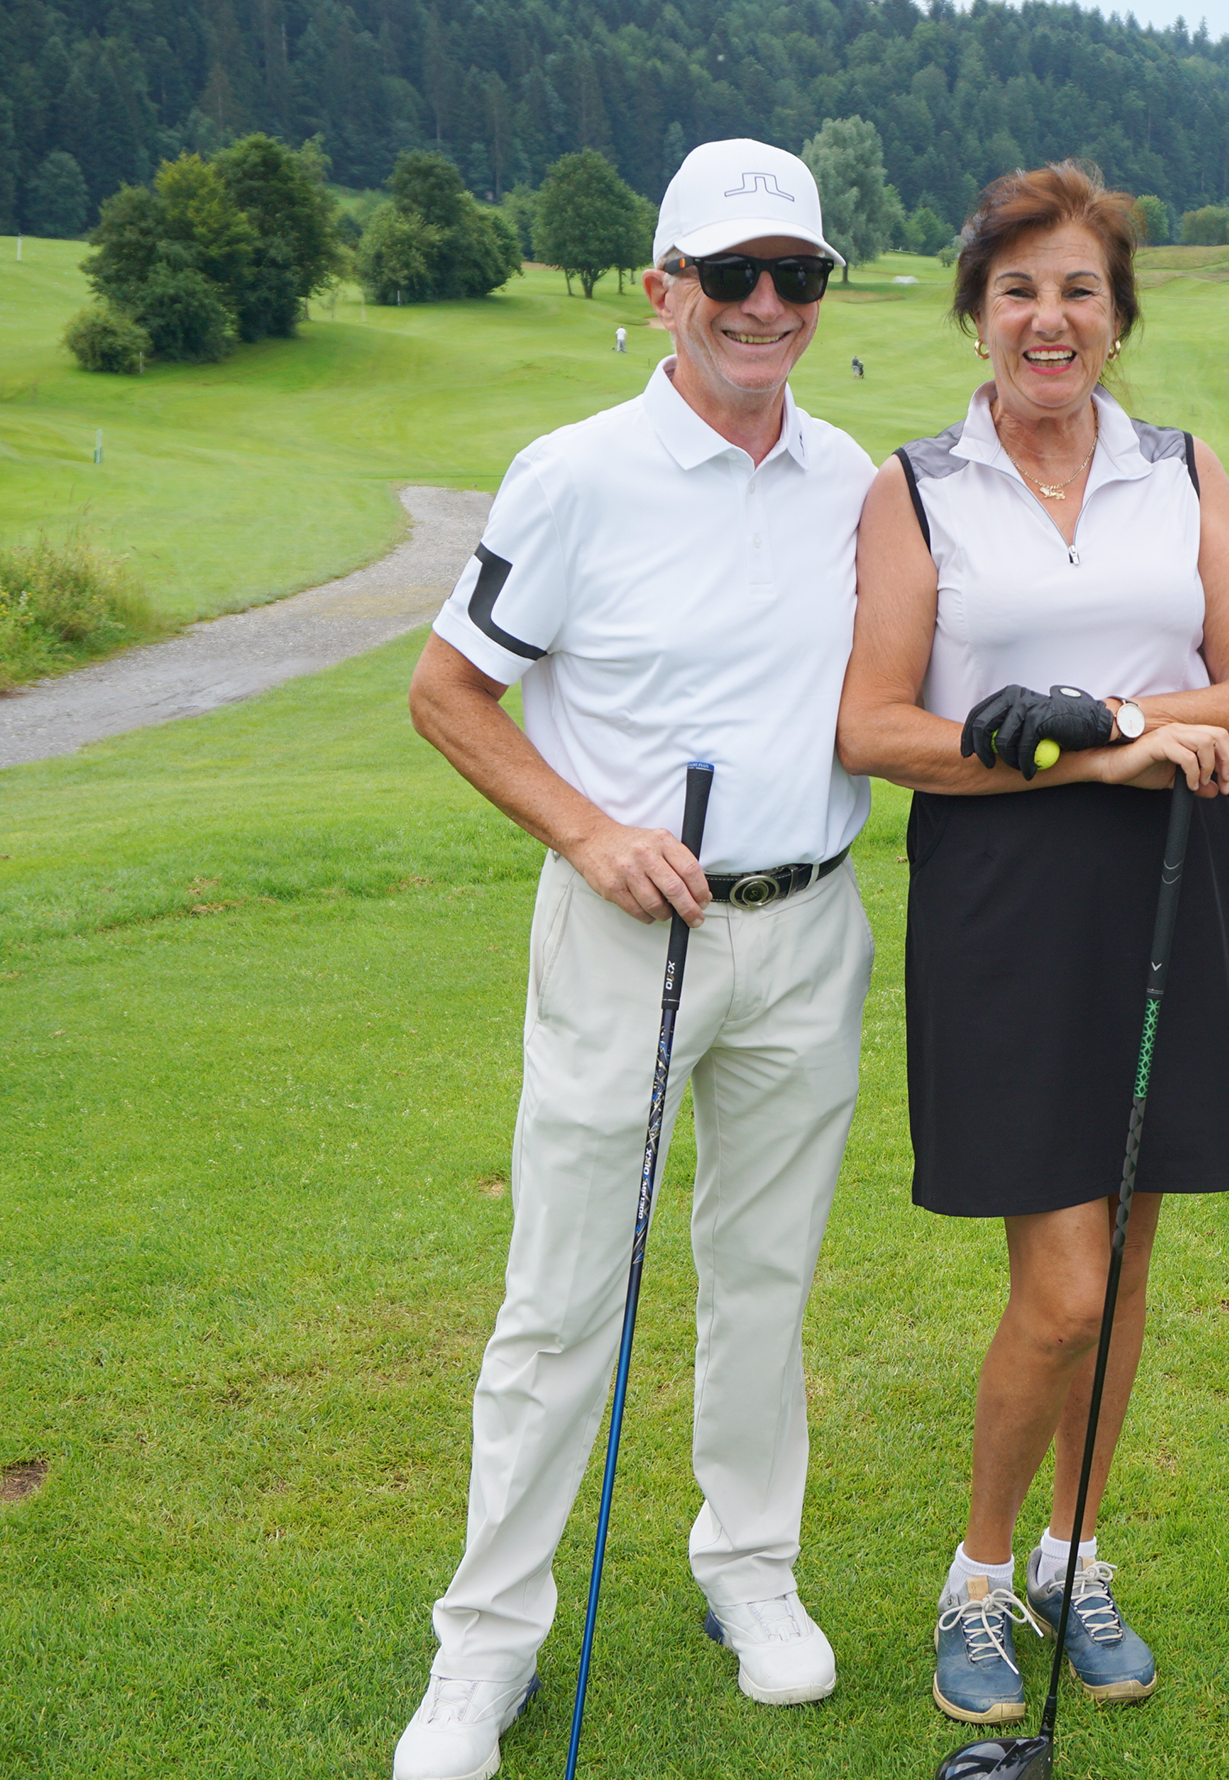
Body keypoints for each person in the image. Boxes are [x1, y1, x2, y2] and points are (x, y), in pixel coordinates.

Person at [393, 137, 876, 1780]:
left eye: (793, 275)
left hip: (808, 927)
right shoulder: (572, 474)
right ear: (667, 291)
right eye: (730, 276)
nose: (764, 305)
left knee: (764, 1276)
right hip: (624, 933)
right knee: (562, 1292)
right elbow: (449, 694)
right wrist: (589, 833)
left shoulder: (851, 479)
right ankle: (486, 1641)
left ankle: (749, 1567)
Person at [837, 161, 1229, 1730]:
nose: (1049, 317)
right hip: (1009, 900)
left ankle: (1071, 1557)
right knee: (1067, 1289)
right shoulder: (914, 488)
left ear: (1117, 317)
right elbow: (875, 727)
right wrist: (1095, 754)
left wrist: (1105, 715)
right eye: (1018, 289)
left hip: (1172, 878)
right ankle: (977, 1579)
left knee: (1131, 1254)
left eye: (1078, 290)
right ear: (976, 313)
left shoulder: (1182, 469)